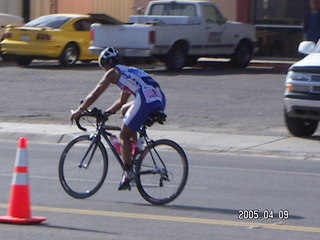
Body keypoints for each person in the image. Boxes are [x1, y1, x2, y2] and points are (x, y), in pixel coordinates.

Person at [70, 47, 166, 190]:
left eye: (103, 66)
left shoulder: (113, 73)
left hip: (145, 98)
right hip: (159, 98)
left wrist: (80, 110)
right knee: (125, 109)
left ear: (107, 63)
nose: (104, 69)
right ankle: (135, 148)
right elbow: (121, 102)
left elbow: (95, 94)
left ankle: (128, 173)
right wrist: (106, 113)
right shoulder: (127, 71)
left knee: (123, 134)